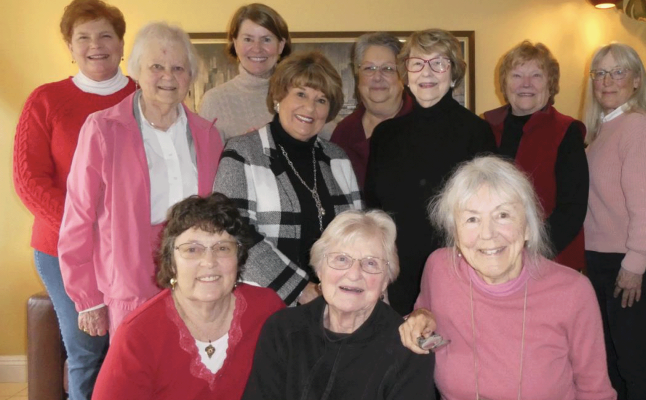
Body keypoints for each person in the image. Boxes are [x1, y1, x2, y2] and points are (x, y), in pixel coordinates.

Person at [398, 156, 615, 399]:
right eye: (472, 219)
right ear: (455, 234)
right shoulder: (440, 268)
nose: (488, 234)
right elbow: (424, 318)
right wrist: (420, 317)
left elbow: (595, 391)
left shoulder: (572, 292)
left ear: (529, 227)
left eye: (502, 215)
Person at [58, 22, 224, 339]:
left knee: (192, 378)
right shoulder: (103, 129)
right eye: (156, 67)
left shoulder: (207, 135)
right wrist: (87, 299)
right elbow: (78, 218)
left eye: (179, 68)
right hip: (129, 286)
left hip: (196, 282)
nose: (168, 77)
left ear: (190, 76)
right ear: (136, 71)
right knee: (135, 380)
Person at [12, 1, 135, 397]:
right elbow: (30, 181)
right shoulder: (45, 100)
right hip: (62, 250)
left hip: (132, 249)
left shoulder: (146, 96)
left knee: (133, 350)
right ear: (70, 46)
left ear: (121, 43)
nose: (95, 46)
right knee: (87, 352)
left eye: (105, 35)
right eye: (83, 37)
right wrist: (88, 228)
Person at [92, 193, 285, 399]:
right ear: (171, 262)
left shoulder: (267, 310)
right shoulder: (137, 334)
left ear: (238, 257)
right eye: (192, 249)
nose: (209, 262)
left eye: (222, 248)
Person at [365, 28, 496, 315]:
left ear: (453, 74)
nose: (427, 72)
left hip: (458, 274)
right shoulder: (385, 135)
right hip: (396, 277)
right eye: (417, 63)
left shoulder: (477, 133)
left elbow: (487, 211)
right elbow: (373, 209)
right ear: (406, 73)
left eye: (439, 63)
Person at [214, 51, 360, 306]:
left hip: (334, 306)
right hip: (264, 305)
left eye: (321, 100)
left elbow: (359, 235)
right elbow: (233, 233)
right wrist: (301, 289)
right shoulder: (243, 152)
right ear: (279, 96)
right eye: (301, 94)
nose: (310, 108)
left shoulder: (337, 159)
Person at [242, 210, 435, 399]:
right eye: (341, 259)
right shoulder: (282, 330)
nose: (353, 274)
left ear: (386, 280)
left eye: (370, 263)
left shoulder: (409, 350)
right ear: (319, 269)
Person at [582, 43, 646, 400]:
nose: (607, 81)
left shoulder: (638, 128)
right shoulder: (604, 129)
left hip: (635, 263)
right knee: (613, 363)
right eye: (600, 73)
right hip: (607, 261)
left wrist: (634, 265)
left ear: (637, 80)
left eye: (618, 72)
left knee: (634, 365)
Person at [483, 40, 588, 270]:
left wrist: (531, 253)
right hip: (495, 258)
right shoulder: (486, 127)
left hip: (551, 260)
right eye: (517, 75)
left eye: (536, 76)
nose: (526, 84)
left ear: (550, 84)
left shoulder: (567, 131)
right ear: (504, 83)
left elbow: (572, 209)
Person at [329, 32, 413, 189]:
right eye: (369, 68)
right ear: (357, 74)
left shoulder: (423, 126)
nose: (377, 77)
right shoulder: (344, 133)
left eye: (388, 69)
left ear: (403, 76)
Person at [199, 3, 291, 141]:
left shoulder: (300, 94)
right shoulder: (214, 101)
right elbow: (206, 160)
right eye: (248, 39)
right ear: (235, 44)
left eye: (266, 39)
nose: (257, 48)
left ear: (281, 45)